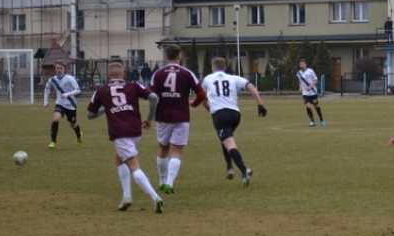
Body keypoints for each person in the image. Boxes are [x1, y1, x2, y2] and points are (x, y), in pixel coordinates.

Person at [87, 61, 163, 213]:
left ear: (107, 76)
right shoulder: (133, 85)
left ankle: (155, 198)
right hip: (135, 130)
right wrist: (149, 118)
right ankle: (127, 196)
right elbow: (154, 97)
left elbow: (90, 114)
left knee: (133, 166)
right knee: (119, 159)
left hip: (119, 132)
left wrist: (105, 110)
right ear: (123, 74)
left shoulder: (101, 90)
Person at [200, 57, 267, 187]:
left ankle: (244, 171)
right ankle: (230, 168)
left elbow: (202, 98)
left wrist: (211, 110)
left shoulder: (207, 79)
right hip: (235, 114)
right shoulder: (233, 78)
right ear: (225, 67)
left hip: (220, 115)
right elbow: (251, 87)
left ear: (213, 67)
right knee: (225, 139)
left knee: (229, 144)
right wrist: (260, 105)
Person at [150, 44, 206, 193]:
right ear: (179, 56)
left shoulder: (158, 74)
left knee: (163, 148)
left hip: (162, 116)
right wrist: (194, 104)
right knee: (177, 151)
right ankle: (169, 183)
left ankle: (162, 181)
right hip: (181, 116)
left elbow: (151, 95)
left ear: (167, 56)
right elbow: (201, 94)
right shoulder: (187, 73)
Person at [43, 60, 84, 149]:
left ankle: (79, 134)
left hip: (71, 105)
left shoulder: (69, 78)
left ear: (64, 69)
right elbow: (47, 88)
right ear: (55, 69)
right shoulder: (52, 79)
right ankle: (53, 141)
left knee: (72, 125)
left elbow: (78, 90)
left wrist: (67, 94)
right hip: (60, 103)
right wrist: (45, 100)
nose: (59, 70)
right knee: (56, 119)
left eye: (61, 68)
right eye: (57, 68)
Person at [297, 58, 325, 127]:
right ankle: (312, 122)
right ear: (299, 65)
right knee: (308, 106)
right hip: (305, 93)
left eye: (303, 64)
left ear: (306, 64)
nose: (302, 65)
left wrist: (310, 86)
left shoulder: (310, 71)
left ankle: (321, 120)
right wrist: (300, 87)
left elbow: (315, 80)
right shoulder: (298, 73)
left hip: (313, 92)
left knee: (316, 106)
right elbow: (301, 81)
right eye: (301, 64)